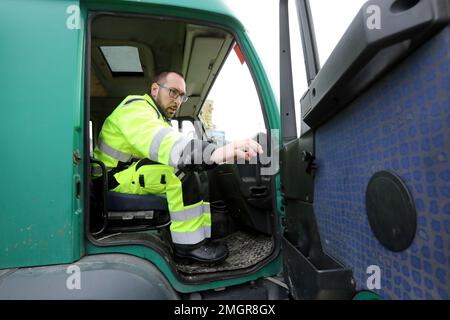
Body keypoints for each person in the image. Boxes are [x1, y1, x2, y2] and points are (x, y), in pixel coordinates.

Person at [93, 71, 263, 263]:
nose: (178, 100)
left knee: (193, 168)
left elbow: (171, 144)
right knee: (181, 172)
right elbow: (167, 143)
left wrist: (205, 156)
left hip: (125, 174)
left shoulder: (155, 115)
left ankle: (201, 236)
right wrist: (214, 152)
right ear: (155, 90)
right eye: (173, 92)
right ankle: (189, 246)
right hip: (112, 181)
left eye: (182, 95)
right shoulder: (135, 109)